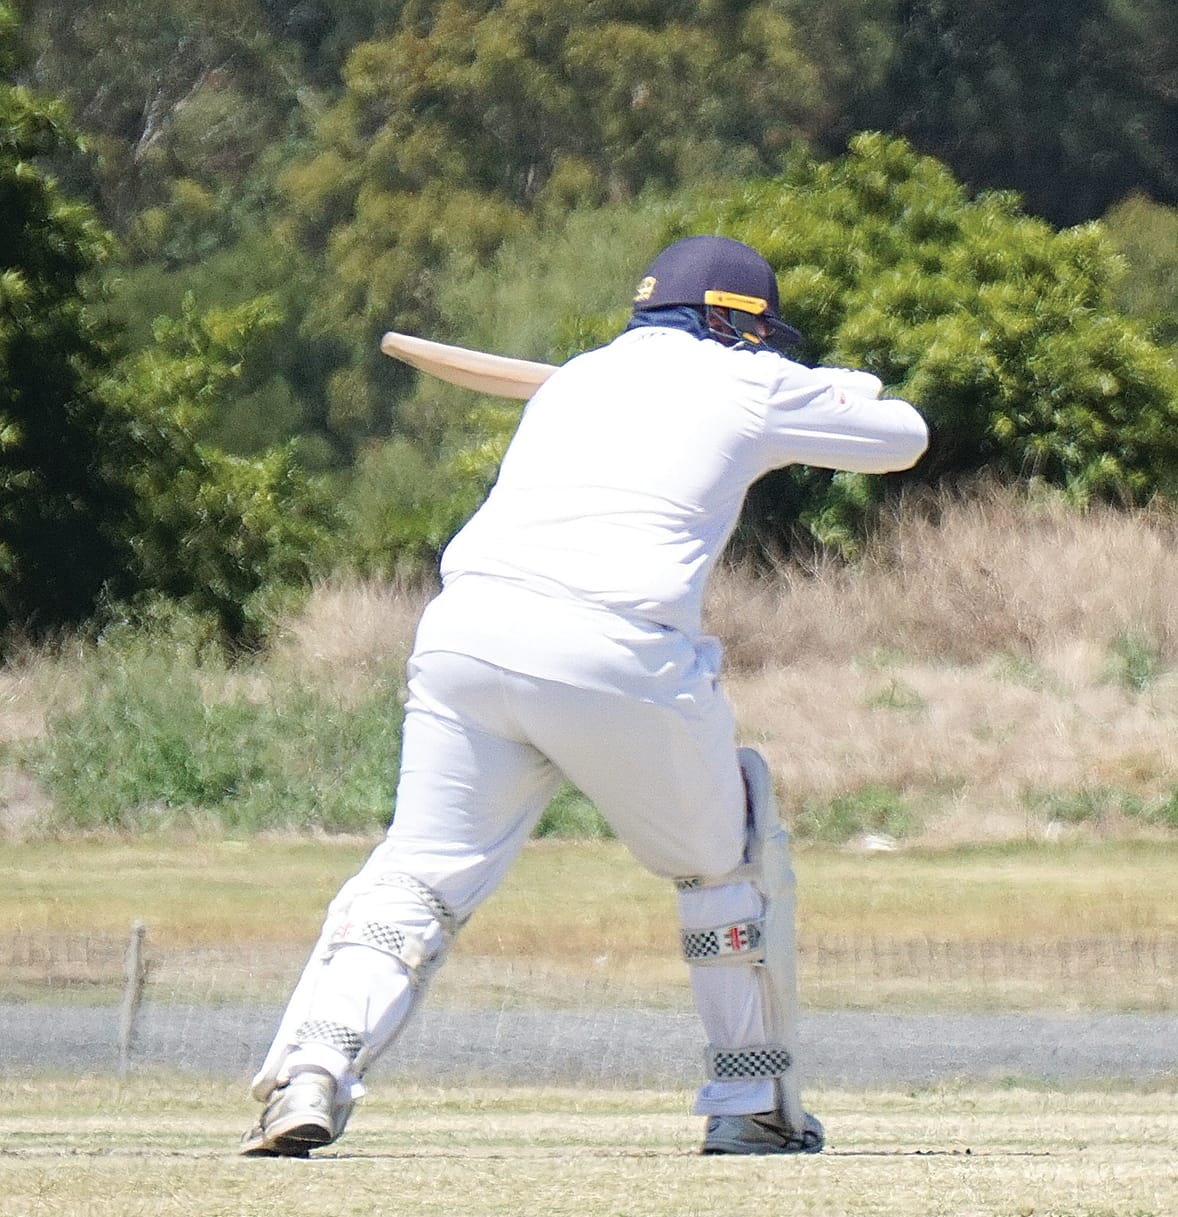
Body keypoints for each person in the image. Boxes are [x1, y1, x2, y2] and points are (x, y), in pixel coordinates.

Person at [239, 235, 929, 1158]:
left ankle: (311, 1073)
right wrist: (832, 384)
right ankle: (752, 1098)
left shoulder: (575, 383)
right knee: (729, 861)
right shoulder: (749, 382)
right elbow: (904, 437)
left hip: (466, 636)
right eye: (760, 335)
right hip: (615, 647)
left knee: (420, 873)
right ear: (732, 321)